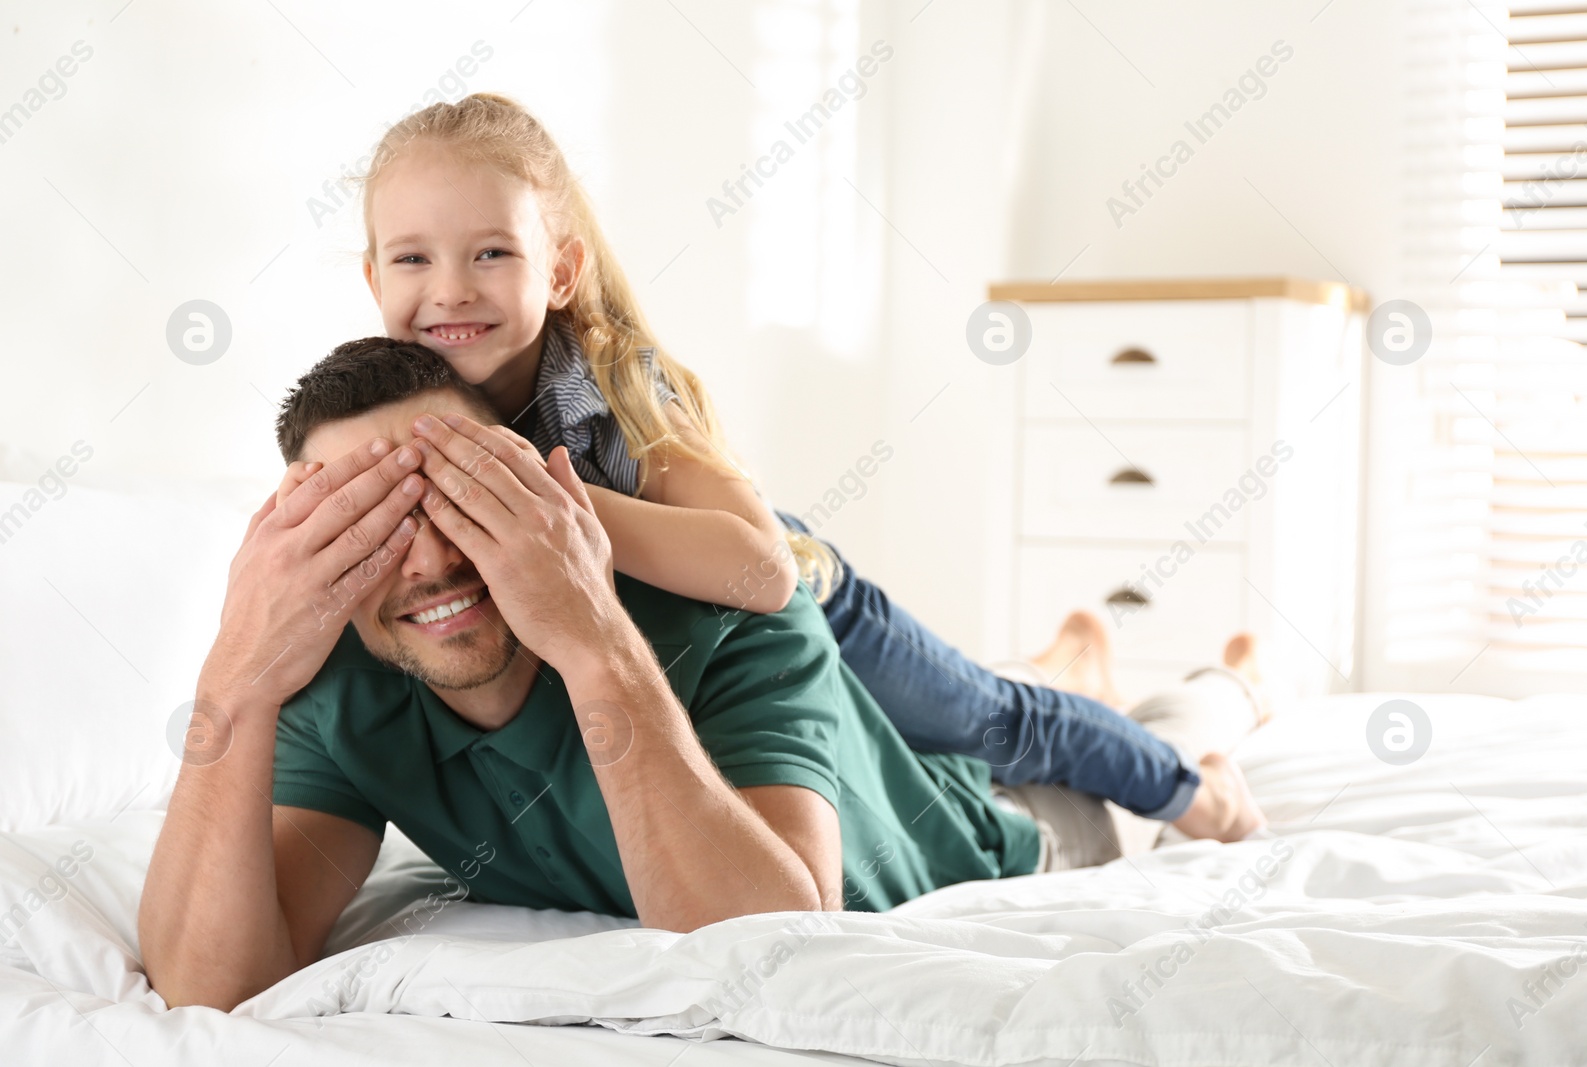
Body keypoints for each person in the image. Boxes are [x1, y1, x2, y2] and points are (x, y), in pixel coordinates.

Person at [137, 340, 1266, 1013]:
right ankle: (1076, 659)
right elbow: (209, 982)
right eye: (370, 523)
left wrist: (588, 637)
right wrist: (235, 670)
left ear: (543, 484)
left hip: (1003, 830)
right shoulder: (340, 671)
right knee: (1017, 685)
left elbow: (767, 932)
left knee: (1137, 732)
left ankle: (1212, 699)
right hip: (844, 755)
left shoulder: (729, 615)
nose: (427, 557)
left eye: (460, 497)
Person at [281, 90, 1265, 839]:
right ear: (373, 278)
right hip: (697, 665)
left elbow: (760, 570)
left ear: (562, 269)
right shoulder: (383, 407)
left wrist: (554, 512)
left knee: (987, 723)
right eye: (412, 260)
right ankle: (1069, 660)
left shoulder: (616, 383)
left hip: (811, 609)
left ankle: (1193, 786)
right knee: (930, 756)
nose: (450, 288)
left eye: (490, 252)